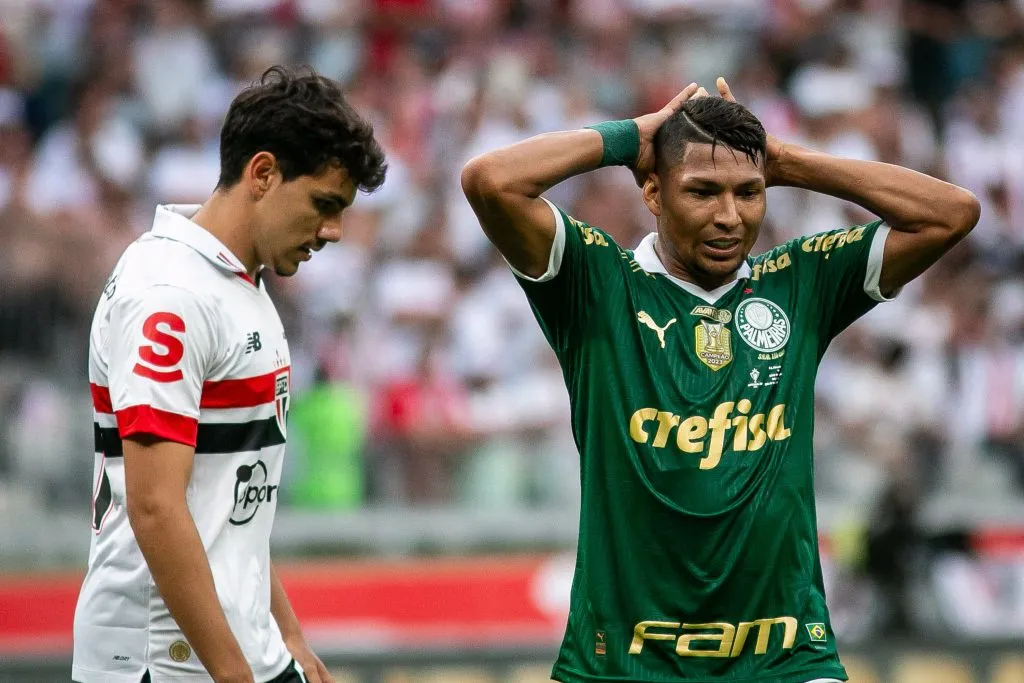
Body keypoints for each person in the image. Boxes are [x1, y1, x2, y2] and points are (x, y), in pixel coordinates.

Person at [461, 79, 979, 682]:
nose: (730, 217)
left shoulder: (801, 283)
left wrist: (788, 159)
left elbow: (952, 214)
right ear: (653, 190)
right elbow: (488, 181)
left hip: (785, 660)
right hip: (622, 665)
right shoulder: (598, 283)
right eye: (703, 191)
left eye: (749, 192)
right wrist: (631, 136)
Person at [74, 66, 386, 683]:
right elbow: (158, 507)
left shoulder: (238, 281)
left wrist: (286, 633)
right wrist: (234, 675)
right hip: (160, 665)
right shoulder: (169, 295)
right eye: (324, 204)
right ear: (263, 174)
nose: (333, 231)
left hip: (237, 654)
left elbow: (230, 501)